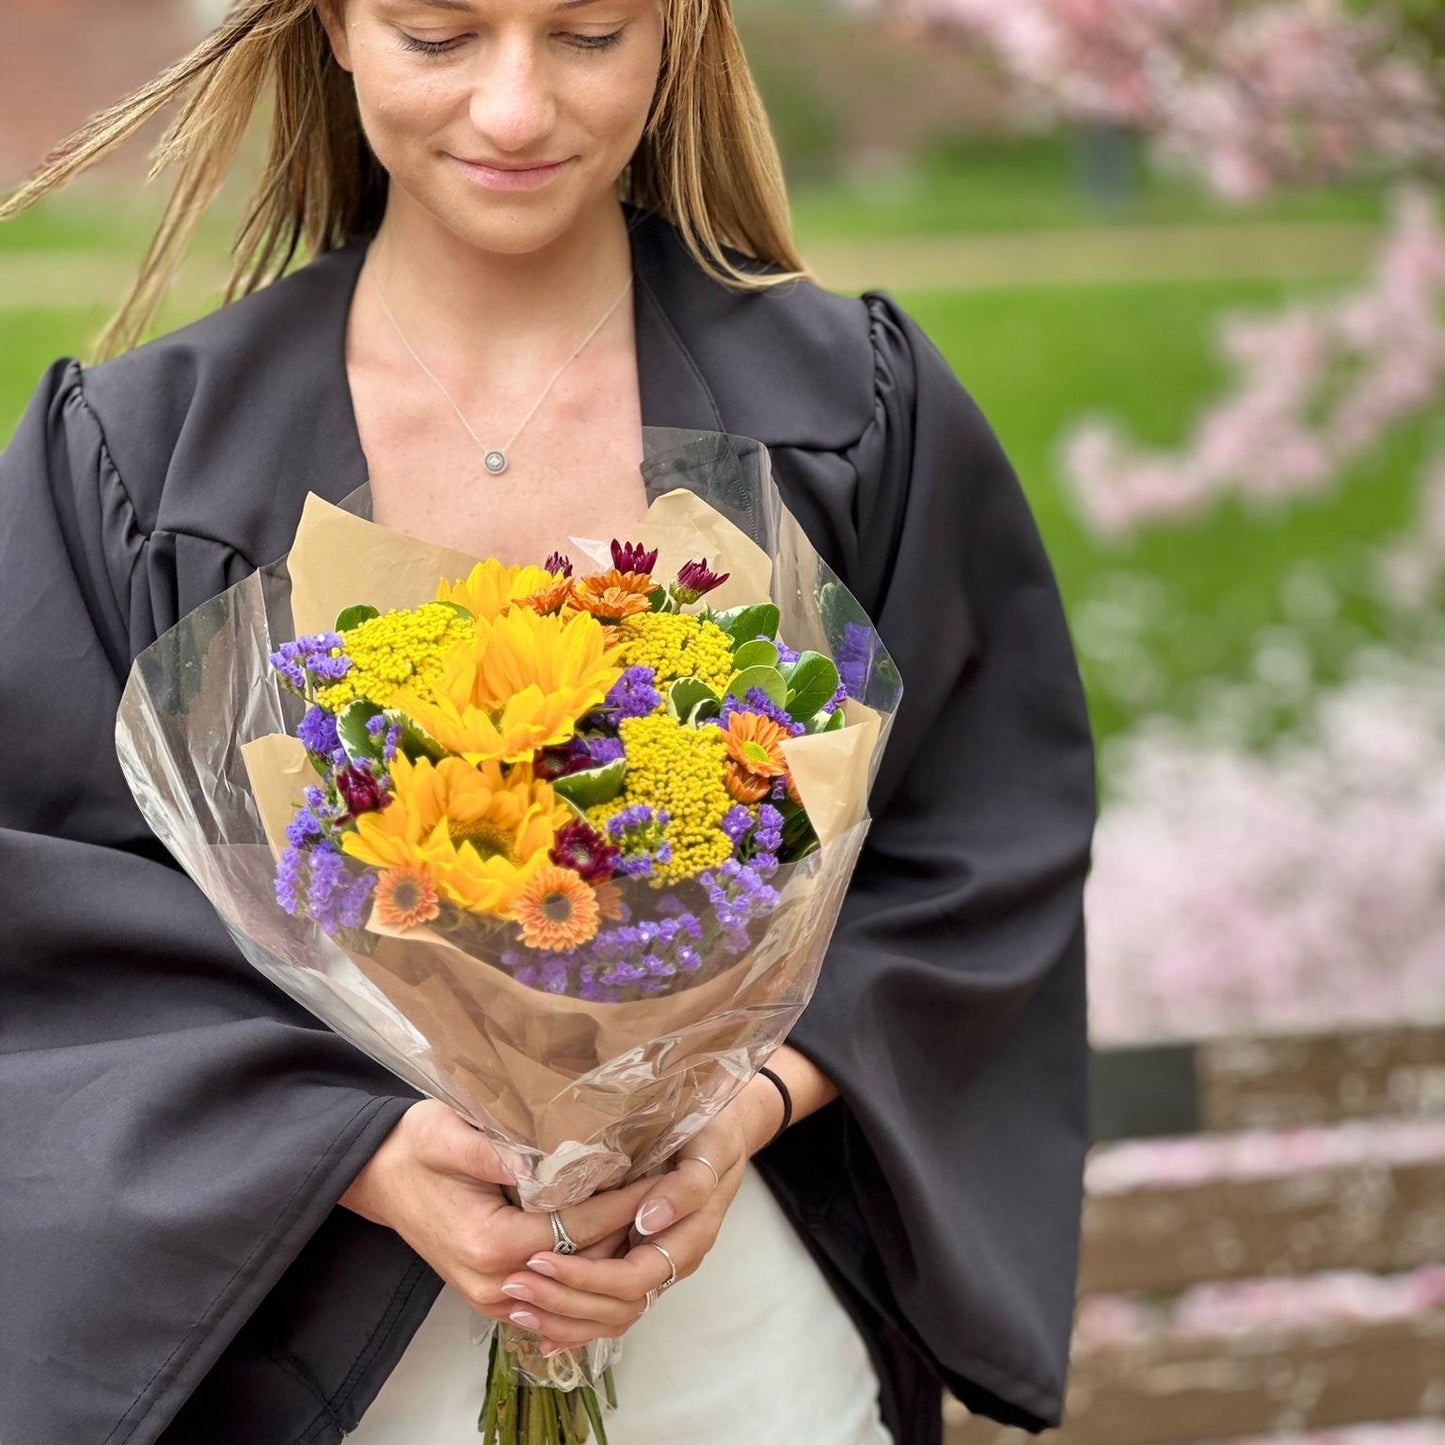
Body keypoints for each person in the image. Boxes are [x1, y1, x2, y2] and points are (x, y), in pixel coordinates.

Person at [0, 2, 1098, 1443]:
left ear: (676, 35)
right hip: (318, 1338)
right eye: (439, 34)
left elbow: (983, 833)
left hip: (745, 1323)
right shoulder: (145, 460)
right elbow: (43, 912)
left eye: (585, 33)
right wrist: (366, 1150)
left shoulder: (848, 413)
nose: (513, 112)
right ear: (334, 28)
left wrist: (745, 1103)